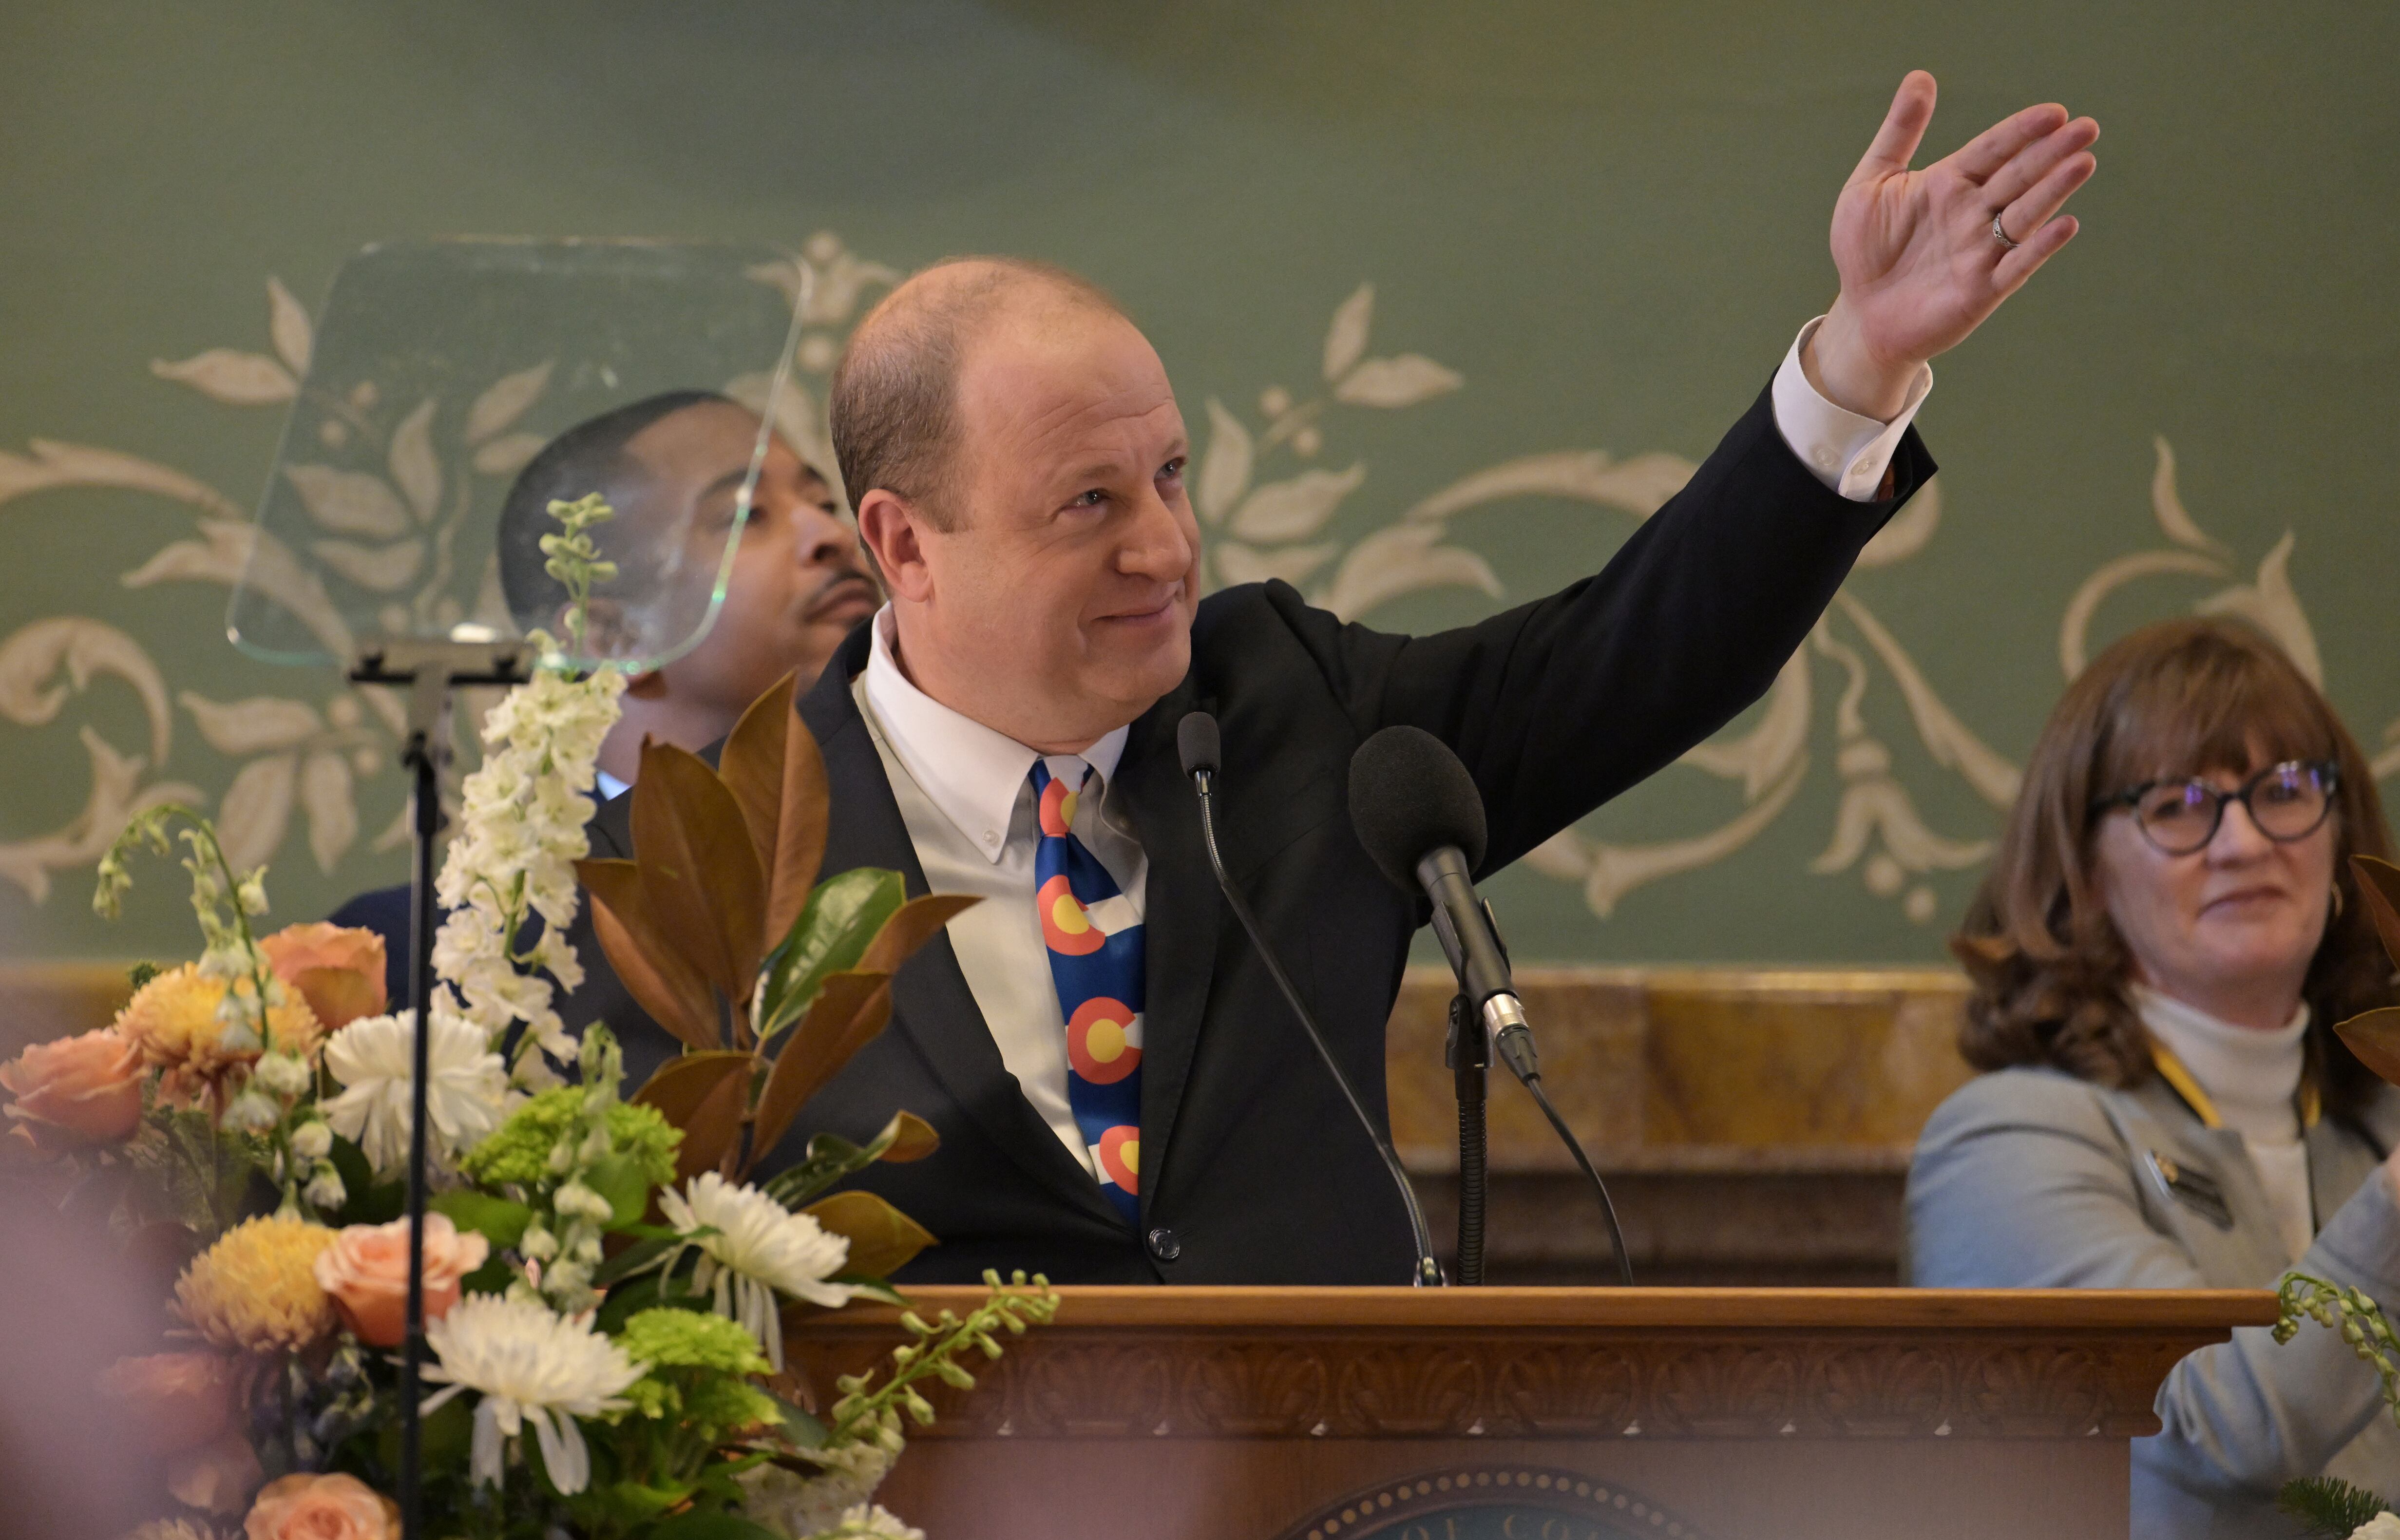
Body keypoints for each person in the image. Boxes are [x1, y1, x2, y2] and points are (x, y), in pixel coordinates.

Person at [563, 70, 2101, 1285]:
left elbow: (1641, 654)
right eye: (1089, 503)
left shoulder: (1289, 703)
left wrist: (1861, 360)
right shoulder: (718, 858)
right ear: (906, 545)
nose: (1166, 547)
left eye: (1170, 473)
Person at [1906, 618, 2400, 1540]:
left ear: (2342, 843)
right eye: (2179, 805)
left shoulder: (2376, 1126)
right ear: (2084, 870)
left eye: (2284, 791)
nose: (2245, 841)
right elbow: (2202, 1426)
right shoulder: (2007, 1144)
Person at [330, 390, 878, 1001]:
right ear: (611, 636)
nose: (832, 532)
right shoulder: (417, 958)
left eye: (825, 501)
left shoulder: (919, 855)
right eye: (746, 515)